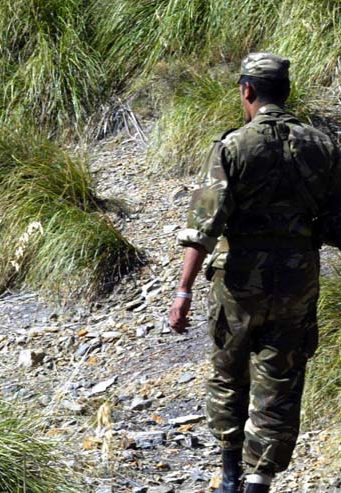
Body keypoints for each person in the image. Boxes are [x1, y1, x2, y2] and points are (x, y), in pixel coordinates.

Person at [168, 53, 341, 493]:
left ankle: (229, 475)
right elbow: (337, 224)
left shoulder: (232, 146)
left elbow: (204, 227)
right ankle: (259, 480)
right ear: (286, 90)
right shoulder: (323, 146)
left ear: (247, 90)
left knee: (229, 372)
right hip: (297, 280)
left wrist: (183, 291)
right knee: (281, 378)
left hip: (240, 281)